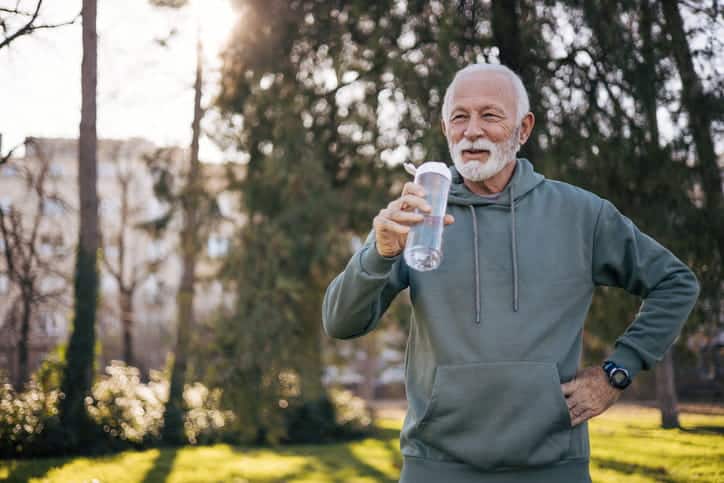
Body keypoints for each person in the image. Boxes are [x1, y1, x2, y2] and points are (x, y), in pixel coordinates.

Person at [321, 63, 699, 483]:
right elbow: (340, 322)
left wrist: (618, 370)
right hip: (437, 468)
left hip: (553, 468)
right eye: (459, 117)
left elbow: (676, 282)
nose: (472, 130)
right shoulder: (420, 217)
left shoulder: (579, 214)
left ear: (523, 129)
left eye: (490, 115)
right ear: (445, 129)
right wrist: (380, 252)